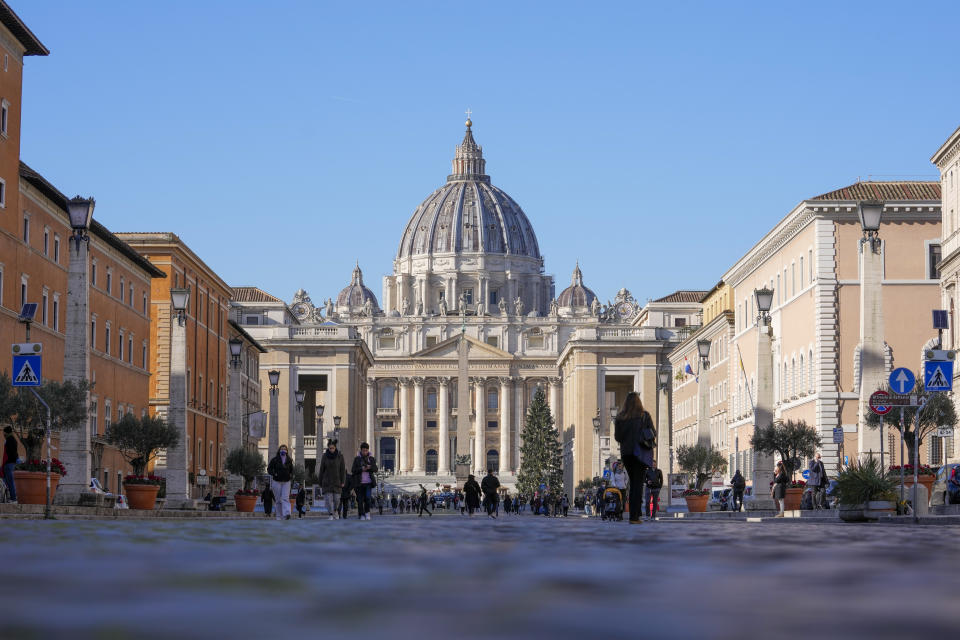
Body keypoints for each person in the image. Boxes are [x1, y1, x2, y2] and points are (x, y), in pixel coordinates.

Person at [614, 392, 655, 524]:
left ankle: (634, 515)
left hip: (626, 454)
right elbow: (653, 432)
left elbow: (617, 437)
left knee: (633, 483)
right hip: (640, 452)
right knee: (638, 484)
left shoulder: (620, 417)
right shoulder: (644, 416)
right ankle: (634, 516)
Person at [319, 439, 346, 520]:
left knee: (337, 499)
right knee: (328, 499)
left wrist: (343, 481)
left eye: (333, 448)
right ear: (328, 448)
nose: (331, 450)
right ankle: (330, 513)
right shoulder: (324, 456)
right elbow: (321, 469)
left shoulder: (340, 456)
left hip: (337, 482)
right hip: (327, 482)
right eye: (330, 448)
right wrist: (320, 481)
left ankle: (336, 511)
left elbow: (342, 469)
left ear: (335, 447)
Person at [267, 445, 294, 521]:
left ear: (287, 451)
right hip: (277, 482)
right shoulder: (274, 460)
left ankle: (287, 514)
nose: (283, 450)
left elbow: (292, 470)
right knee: (278, 500)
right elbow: (269, 469)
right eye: (282, 449)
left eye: (285, 449)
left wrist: (291, 475)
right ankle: (279, 516)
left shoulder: (289, 460)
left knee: (285, 498)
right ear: (279, 450)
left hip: (286, 482)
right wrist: (274, 473)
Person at [351, 442, 377, 521]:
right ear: (361, 450)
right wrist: (361, 469)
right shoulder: (357, 459)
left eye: (366, 450)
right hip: (359, 483)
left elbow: (375, 469)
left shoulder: (371, 459)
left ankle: (367, 512)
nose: (365, 452)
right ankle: (362, 514)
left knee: (368, 499)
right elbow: (353, 470)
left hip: (368, 483)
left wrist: (370, 467)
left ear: (368, 450)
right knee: (360, 500)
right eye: (363, 450)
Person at [3, 426, 17, 503]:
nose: (3, 434)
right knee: (10, 481)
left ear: (5, 432)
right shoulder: (13, 439)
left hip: (9, 463)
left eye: (3, 432)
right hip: (12, 463)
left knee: (10, 481)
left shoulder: (9, 440)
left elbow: (9, 453)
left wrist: (6, 462)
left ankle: (13, 498)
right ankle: (12, 497)